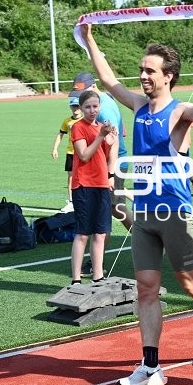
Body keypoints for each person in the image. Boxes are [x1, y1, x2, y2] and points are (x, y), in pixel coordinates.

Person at [79, 23, 193, 385]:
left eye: (150, 70)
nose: (143, 75)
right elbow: (106, 79)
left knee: (190, 282)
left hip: (175, 212)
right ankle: (151, 366)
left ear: (168, 76)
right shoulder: (137, 104)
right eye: (142, 69)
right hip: (145, 215)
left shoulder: (180, 111)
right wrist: (88, 37)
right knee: (147, 289)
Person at [68, 72, 134, 232]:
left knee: (114, 207)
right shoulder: (103, 99)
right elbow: (121, 130)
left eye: (82, 92)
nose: (80, 97)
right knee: (109, 208)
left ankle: (145, 239)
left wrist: (110, 173)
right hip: (107, 162)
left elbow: (115, 141)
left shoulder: (102, 108)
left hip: (113, 162)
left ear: (93, 86)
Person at [69, 91, 118, 284]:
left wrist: (110, 142)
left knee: (100, 233)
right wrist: (100, 137)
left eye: (95, 106)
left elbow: (103, 157)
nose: (92, 110)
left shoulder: (100, 127)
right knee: (83, 234)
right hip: (83, 185)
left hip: (101, 184)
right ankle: (76, 279)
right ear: (81, 108)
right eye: (87, 107)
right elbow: (84, 155)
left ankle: (98, 276)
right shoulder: (77, 127)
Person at [52, 98, 83, 213]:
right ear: (70, 107)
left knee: (84, 177)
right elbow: (60, 134)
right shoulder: (67, 121)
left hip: (83, 153)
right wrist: (55, 149)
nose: (76, 109)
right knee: (71, 178)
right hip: (71, 153)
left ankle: (84, 201)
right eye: (74, 106)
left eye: (78, 106)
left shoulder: (85, 120)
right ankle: (71, 202)